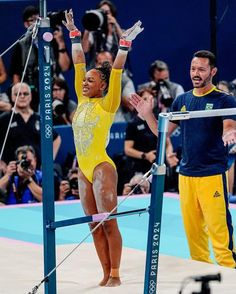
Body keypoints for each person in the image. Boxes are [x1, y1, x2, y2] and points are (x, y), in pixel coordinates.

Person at [130, 50, 236, 268]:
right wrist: (148, 115)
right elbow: (162, 134)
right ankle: (203, 279)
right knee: (194, 238)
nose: (195, 73)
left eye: (201, 69)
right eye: (193, 68)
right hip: (186, 177)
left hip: (212, 176)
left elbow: (229, 126)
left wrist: (229, 133)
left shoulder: (224, 99)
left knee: (220, 237)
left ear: (213, 71)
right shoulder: (182, 100)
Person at [63, 9, 143, 286]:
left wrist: (124, 44)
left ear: (103, 86)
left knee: (109, 221)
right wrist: (73, 31)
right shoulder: (82, 101)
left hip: (100, 166)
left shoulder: (107, 105)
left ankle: (117, 275)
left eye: (90, 81)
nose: (84, 83)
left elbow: (118, 69)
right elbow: (78, 63)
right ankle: (105, 272)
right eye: (84, 81)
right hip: (83, 170)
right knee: (93, 225)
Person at [9, 5, 71, 112]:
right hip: (30, 93)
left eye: (38, 19)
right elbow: (16, 76)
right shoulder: (21, 45)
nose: (36, 23)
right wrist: (20, 97)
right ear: (25, 24)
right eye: (32, 20)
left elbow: (65, 67)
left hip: (52, 91)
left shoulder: (54, 40)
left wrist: (60, 42)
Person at [0, 82, 61, 166]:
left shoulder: (40, 119)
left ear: (30, 96)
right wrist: (1, 163)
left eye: (25, 93)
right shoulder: (5, 118)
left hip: (38, 171)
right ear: (12, 97)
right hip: (12, 171)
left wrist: (49, 161)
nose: (22, 96)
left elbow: (56, 138)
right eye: (18, 94)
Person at [124, 87, 157, 179]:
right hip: (138, 167)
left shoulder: (157, 121)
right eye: (145, 99)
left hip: (155, 166)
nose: (149, 102)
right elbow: (127, 149)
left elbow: (167, 142)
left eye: (151, 98)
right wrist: (145, 156)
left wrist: (169, 154)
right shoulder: (133, 124)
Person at [95, 50, 135, 122]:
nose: (103, 67)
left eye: (107, 63)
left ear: (113, 64)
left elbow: (131, 106)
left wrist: (114, 85)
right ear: (95, 65)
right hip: (97, 124)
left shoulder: (124, 81)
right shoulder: (90, 80)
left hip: (118, 125)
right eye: (100, 63)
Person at [82, 0, 123, 69]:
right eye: (101, 11)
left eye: (106, 12)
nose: (104, 14)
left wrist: (116, 24)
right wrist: (88, 26)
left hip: (116, 70)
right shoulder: (93, 32)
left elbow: (127, 46)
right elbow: (84, 49)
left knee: (128, 80)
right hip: (95, 70)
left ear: (112, 14)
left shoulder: (118, 33)